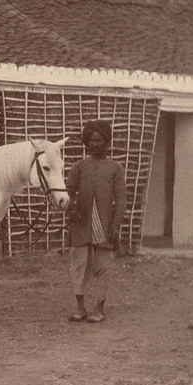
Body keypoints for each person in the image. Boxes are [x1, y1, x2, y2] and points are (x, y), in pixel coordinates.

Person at [65, 119, 125, 324]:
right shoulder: (79, 166)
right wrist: (71, 208)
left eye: (100, 140)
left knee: (104, 266)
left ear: (107, 142)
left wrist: (115, 225)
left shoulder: (115, 168)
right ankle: (80, 308)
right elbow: (68, 192)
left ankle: (99, 308)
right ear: (86, 143)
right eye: (92, 140)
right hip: (82, 224)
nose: (96, 144)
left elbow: (121, 199)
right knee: (79, 265)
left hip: (104, 225)